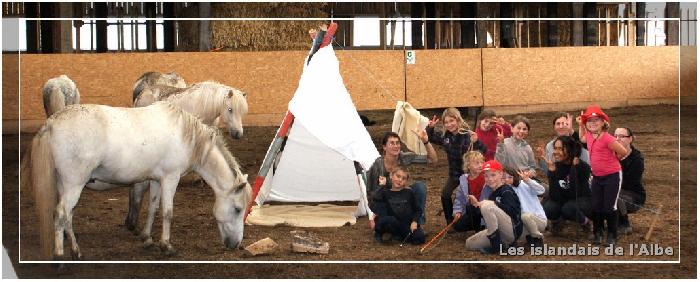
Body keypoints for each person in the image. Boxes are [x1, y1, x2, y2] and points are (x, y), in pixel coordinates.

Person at [426, 107, 487, 225]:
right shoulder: (446, 137)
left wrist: (477, 142)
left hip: (470, 174)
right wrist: (431, 128)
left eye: (452, 121)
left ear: (458, 120)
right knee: (445, 194)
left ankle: (478, 220)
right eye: (446, 122)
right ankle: (450, 221)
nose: (449, 124)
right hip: (455, 174)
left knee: (471, 196)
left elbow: (483, 151)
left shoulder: (467, 134)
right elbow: (431, 138)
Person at [578, 105, 628, 246]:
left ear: (603, 122)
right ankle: (597, 233)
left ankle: (612, 235)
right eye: (589, 121)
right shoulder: (588, 135)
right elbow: (582, 138)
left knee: (609, 206)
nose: (593, 123)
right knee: (596, 205)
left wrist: (613, 159)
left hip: (612, 176)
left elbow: (623, 152)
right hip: (597, 176)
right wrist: (581, 124)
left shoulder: (608, 138)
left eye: (596, 120)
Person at [366, 131, 437, 226]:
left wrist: (426, 142)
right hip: (386, 200)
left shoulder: (404, 157)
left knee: (420, 187)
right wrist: (374, 214)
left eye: (397, 143)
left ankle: (417, 223)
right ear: (384, 147)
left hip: (402, 196)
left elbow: (433, 160)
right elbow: (371, 193)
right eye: (392, 143)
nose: (396, 146)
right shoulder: (377, 166)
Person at [465, 160, 522, 254]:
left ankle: (497, 246)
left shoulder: (506, 190)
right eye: (486, 176)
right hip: (498, 232)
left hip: (512, 231)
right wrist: (476, 205)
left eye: (493, 175)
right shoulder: (492, 194)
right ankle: (500, 243)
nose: (490, 179)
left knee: (487, 205)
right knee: (469, 243)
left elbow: (513, 212)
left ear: (501, 174)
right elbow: (487, 217)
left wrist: (494, 203)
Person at [540, 136, 593, 235]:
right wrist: (552, 172)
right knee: (548, 208)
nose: (556, 152)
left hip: (583, 199)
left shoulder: (582, 166)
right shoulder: (556, 166)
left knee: (568, 208)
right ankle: (558, 221)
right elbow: (554, 195)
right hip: (565, 198)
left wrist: (574, 168)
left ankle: (586, 222)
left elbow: (575, 192)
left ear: (570, 150)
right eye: (555, 148)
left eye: (560, 149)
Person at [369, 166, 426, 245]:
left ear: (406, 181)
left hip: (405, 224)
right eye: (398, 176)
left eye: (403, 178)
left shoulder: (409, 193)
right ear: (391, 176)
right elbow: (375, 203)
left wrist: (414, 222)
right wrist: (381, 186)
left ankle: (398, 236)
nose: (400, 180)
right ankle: (380, 234)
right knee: (388, 220)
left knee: (420, 238)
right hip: (392, 222)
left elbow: (418, 210)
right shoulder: (385, 193)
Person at [503, 167, 547, 249]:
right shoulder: (504, 191)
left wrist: (528, 181)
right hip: (522, 224)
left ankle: (537, 238)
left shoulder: (524, 184)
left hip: (537, 220)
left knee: (525, 216)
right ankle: (529, 237)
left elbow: (541, 190)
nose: (506, 180)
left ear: (515, 177)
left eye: (510, 177)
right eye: (504, 177)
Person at [614, 127, 646, 235]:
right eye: (615, 136)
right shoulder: (611, 154)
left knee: (614, 197)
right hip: (615, 189)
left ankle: (624, 223)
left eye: (622, 136)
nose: (618, 139)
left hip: (633, 195)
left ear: (630, 139)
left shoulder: (637, 159)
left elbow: (629, 182)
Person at [452, 151, 486, 233]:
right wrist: (458, 211)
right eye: (477, 163)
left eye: (482, 162)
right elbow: (459, 199)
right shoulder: (464, 181)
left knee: (472, 208)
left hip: (484, 210)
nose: (480, 165)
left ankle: (480, 230)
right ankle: (476, 226)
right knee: (457, 225)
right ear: (468, 166)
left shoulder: (486, 177)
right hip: (471, 211)